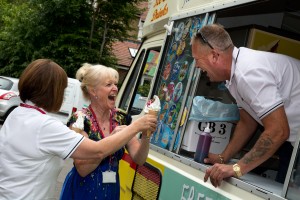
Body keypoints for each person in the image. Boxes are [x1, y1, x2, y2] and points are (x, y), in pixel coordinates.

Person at [0, 59, 157, 200]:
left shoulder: (17, 114)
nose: (63, 95)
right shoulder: (49, 125)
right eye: (62, 89)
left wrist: (144, 134)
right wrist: (135, 127)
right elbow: (95, 153)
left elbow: (138, 158)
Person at [191, 23, 300, 187]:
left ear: (214, 55)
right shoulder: (234, 75)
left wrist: (236, 169)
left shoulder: (248, 73)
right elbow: (247, 122)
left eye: (197, 60)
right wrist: (223, 158)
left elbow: (278, 130)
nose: (197, 66)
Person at [59, 63, 154, 199]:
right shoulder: (80, 120)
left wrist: (146, 135)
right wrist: (114, 139)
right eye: (108, 85)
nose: (115, 88)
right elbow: (82, 168)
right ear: (93, 91)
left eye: (115, 84)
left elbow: (140, 159)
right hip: (84, 190)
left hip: (111, 191)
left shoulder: (121, 118)